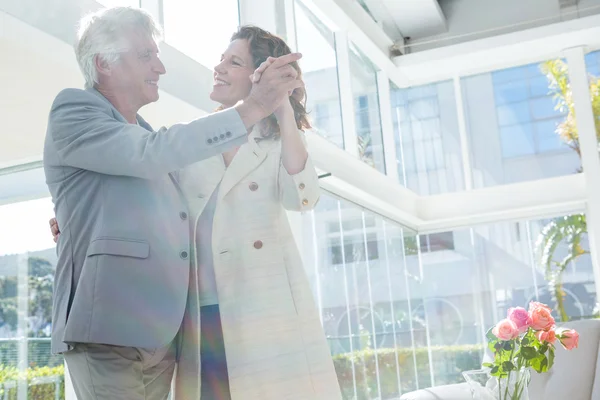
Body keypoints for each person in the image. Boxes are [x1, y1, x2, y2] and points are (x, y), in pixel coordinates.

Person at [50, 24, 342, 400]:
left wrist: (280, 104)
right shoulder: (191, 140)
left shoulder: (275, 145)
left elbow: (302, 199)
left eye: (233, 62)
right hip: (196, 313)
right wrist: (76, 220)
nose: (218, 68)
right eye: (221, 59)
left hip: (262, 308)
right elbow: (147, 195)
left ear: (258, 76)